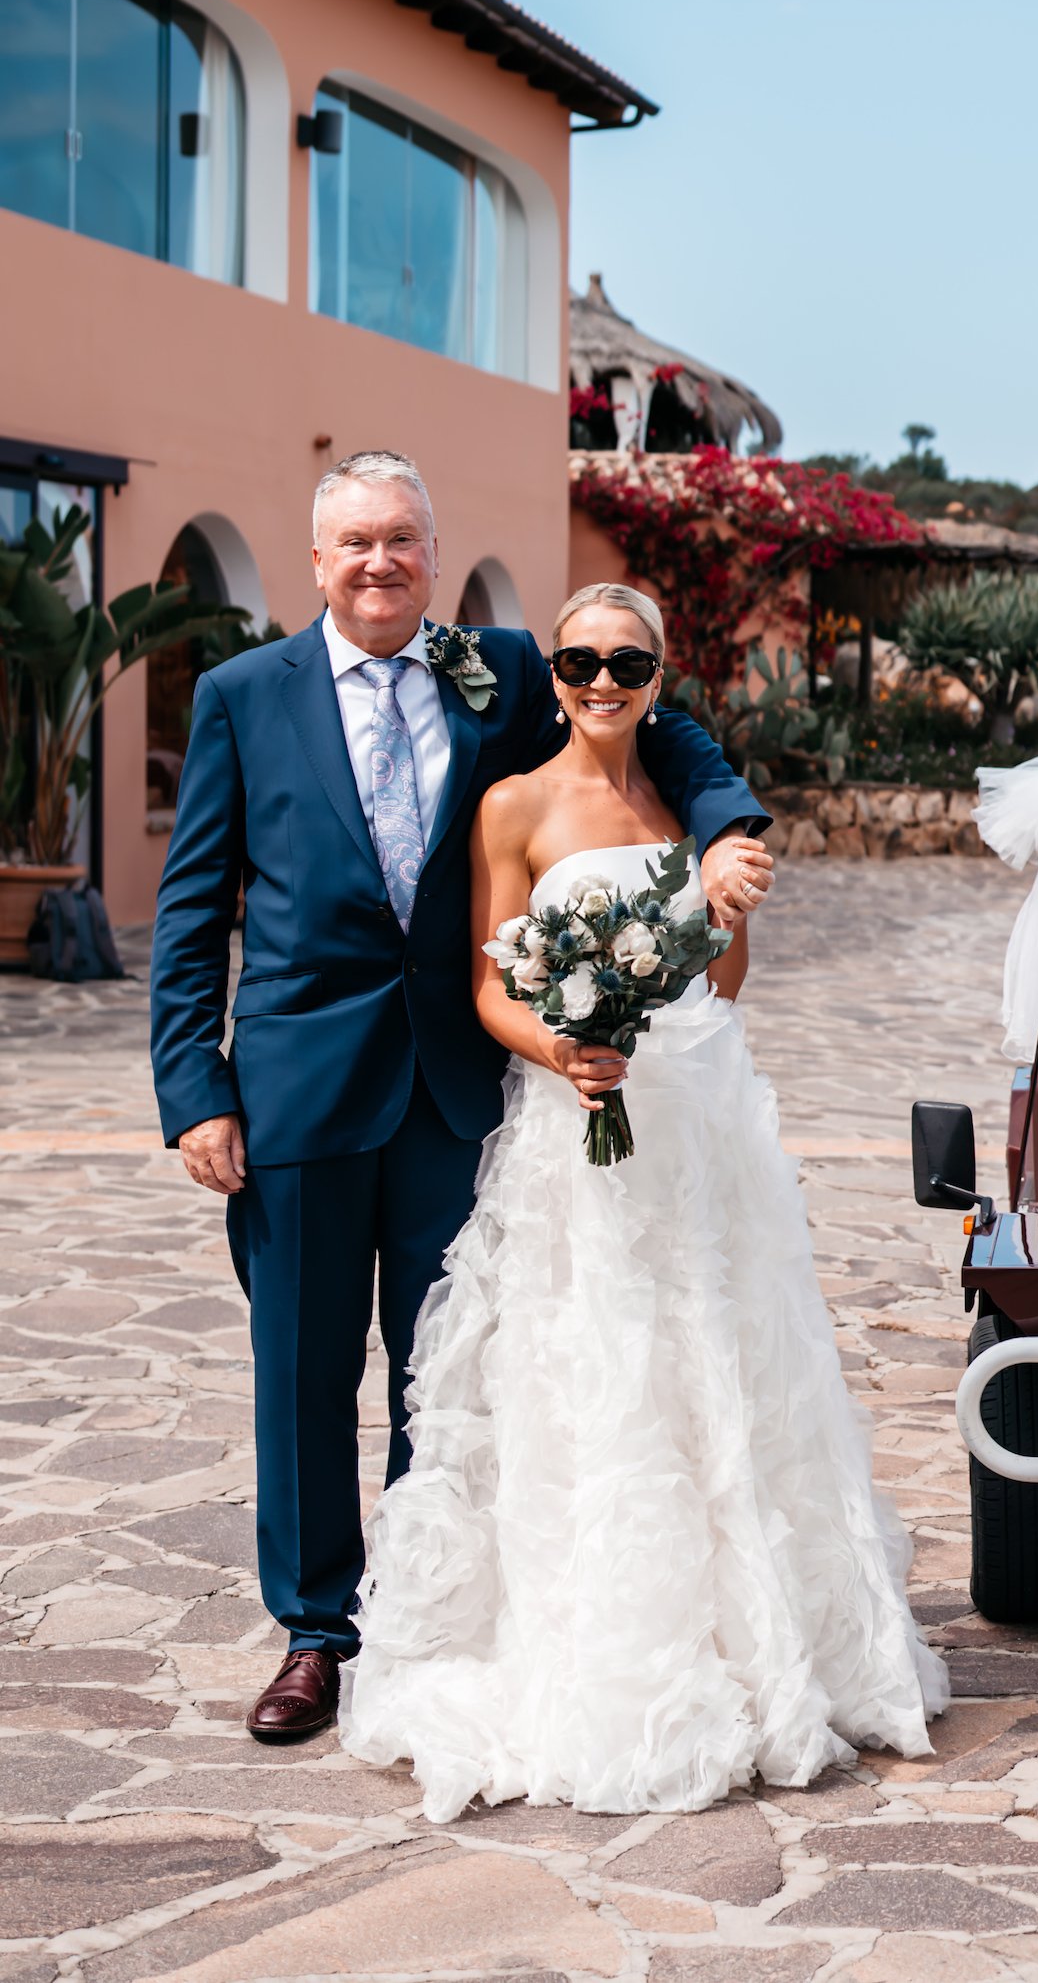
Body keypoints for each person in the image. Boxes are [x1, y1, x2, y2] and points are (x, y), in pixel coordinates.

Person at [149, 455, 772, 1746]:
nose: (380, 563)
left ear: (433, 553)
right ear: (316, 561)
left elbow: (654, 725)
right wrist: (193, 1089)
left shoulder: (497, 669)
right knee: (305, 1377)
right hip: (297, 1097)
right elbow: (192, 909)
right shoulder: (238, 699)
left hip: (459, 1095)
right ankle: (317, 1634)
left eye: (402, 542)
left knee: (448, 1378)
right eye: (354, 544)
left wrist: (723, 827)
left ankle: (415, 1618)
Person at [337, 580, 946, 1817]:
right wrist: (559, 1048)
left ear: (660, 677)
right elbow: (487, 981)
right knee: (593, 1367)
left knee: (716, 1361)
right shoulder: (511, 804)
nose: (600, 681)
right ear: (551, 674)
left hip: (696, 1126)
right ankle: (600, 1652)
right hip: (576, 1129)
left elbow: (723, 982)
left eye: (625, 662)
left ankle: (753, 1641)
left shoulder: (691, 808)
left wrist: (727, 912)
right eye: (577, 660)